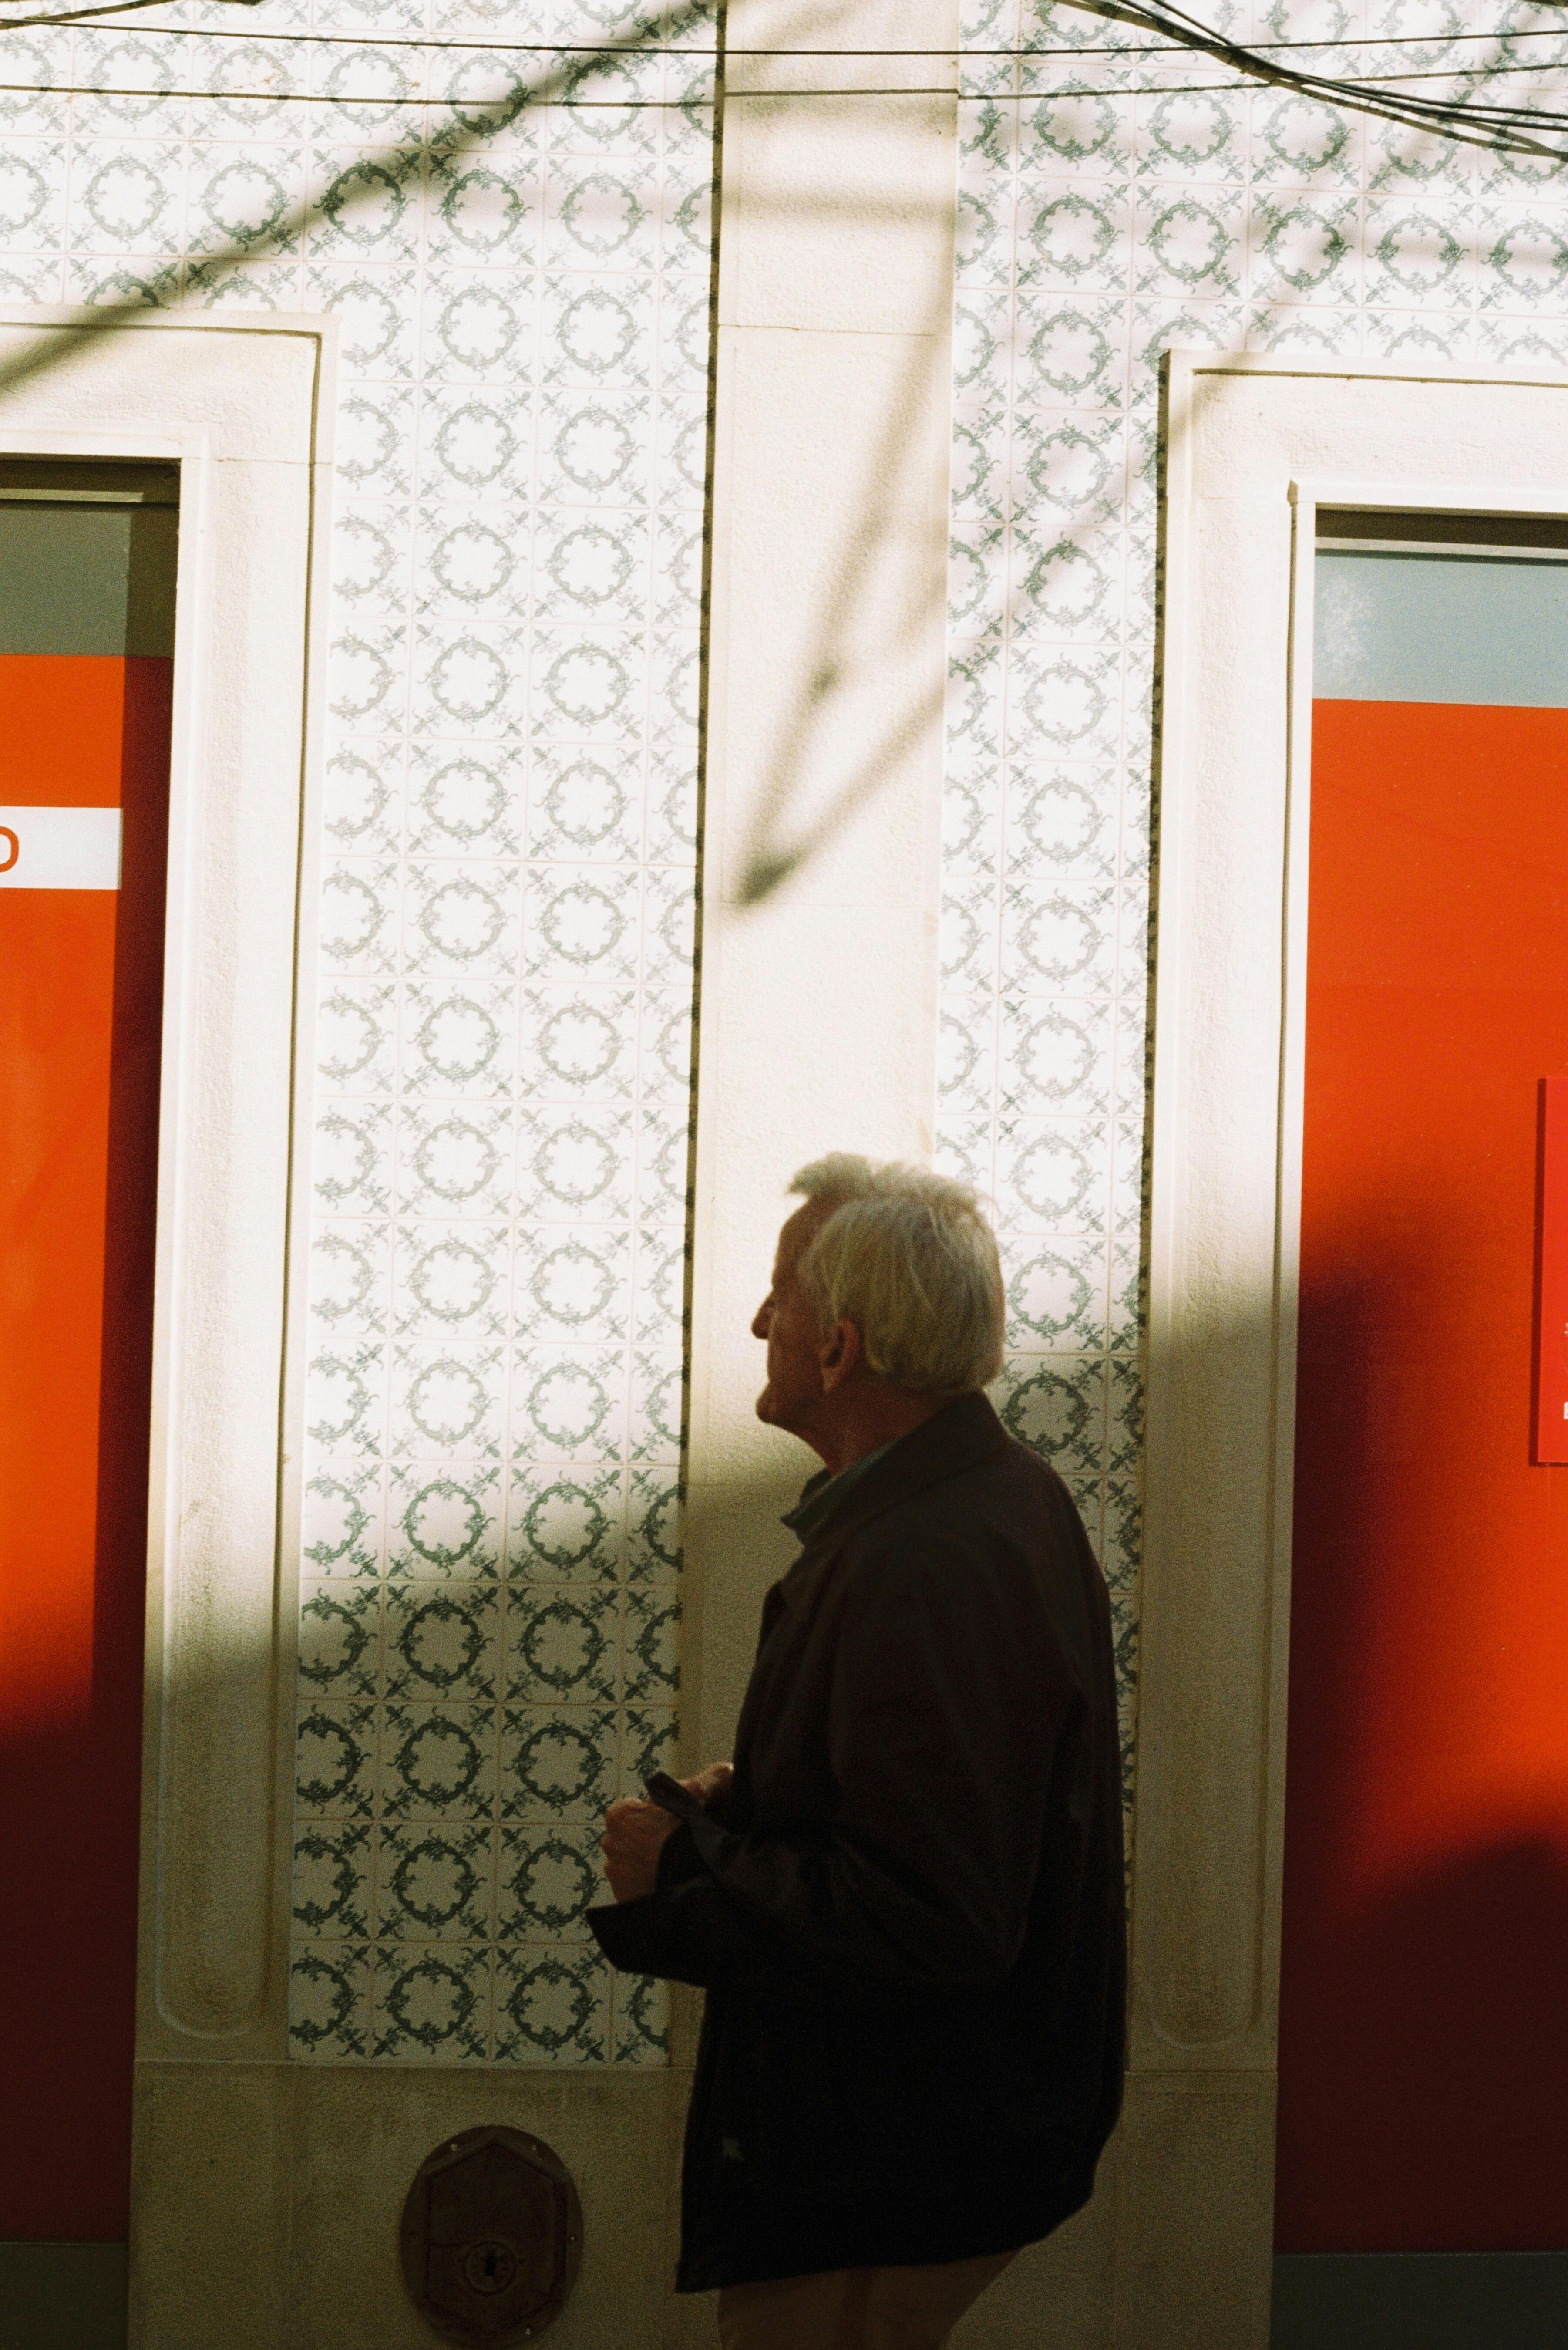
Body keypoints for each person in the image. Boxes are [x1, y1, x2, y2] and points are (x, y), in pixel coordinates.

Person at [589, 1155, 1126, 2350]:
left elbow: (931, 1915)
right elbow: (938, 1805)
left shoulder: (922, 1558)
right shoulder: (982, 1502)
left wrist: (682, 1878)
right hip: (912, 2140)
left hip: (882, 2156)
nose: (755, 1322)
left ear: (836, 1348)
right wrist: (755, 1805)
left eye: (780, 1295)